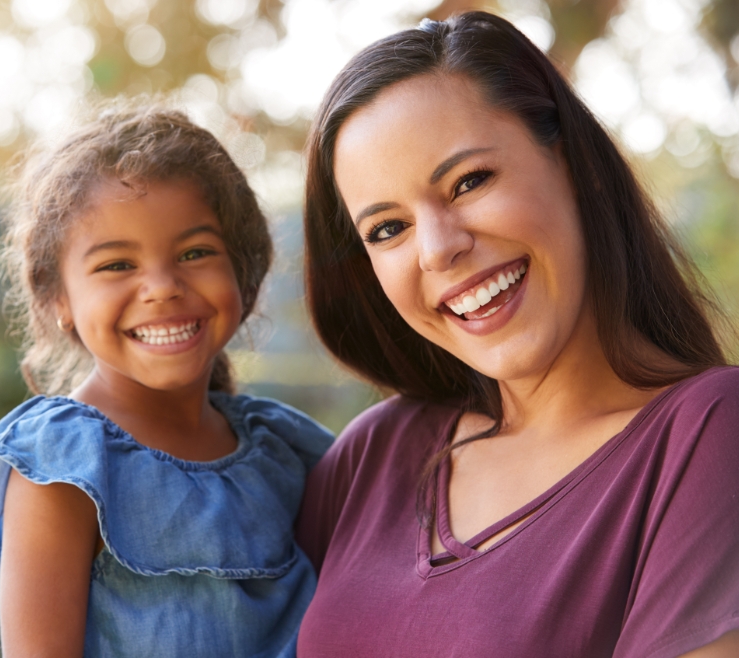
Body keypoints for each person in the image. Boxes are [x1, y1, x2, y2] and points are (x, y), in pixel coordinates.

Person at [295, 12, 739, 657]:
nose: (439, 249)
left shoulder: (707, 432)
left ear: (574, 166)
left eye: (469, 182)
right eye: (388, 229)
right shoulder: (376, 454)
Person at [0, 103, 333, 657]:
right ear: (60, 299)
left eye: (196, 252)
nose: (162, 286)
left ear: (243, 275)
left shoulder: (285, 449)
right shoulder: (63, 467)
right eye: (116, 265)